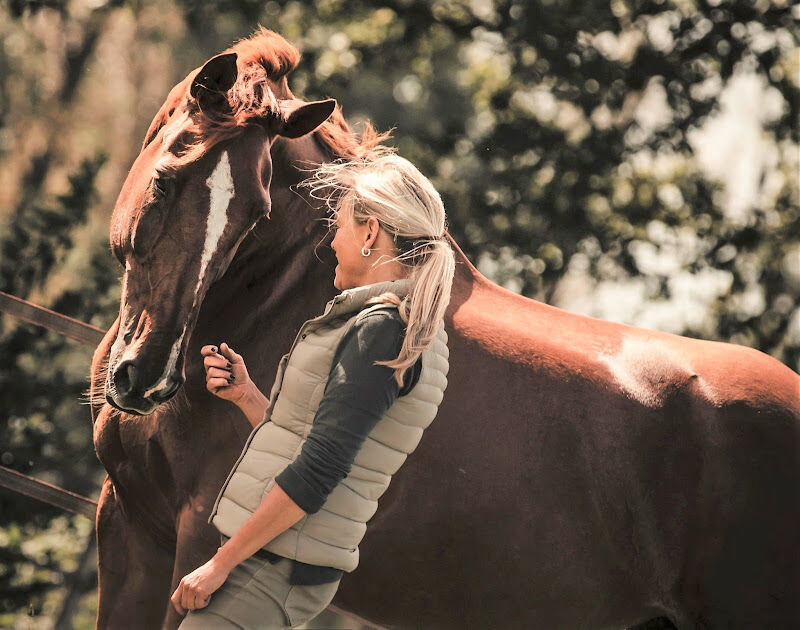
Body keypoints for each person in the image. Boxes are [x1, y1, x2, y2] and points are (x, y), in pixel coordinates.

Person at [173, 146, 455, 629]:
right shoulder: (408, 329)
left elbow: (321, 467)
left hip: (271, 566)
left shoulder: (382, 329)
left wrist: (220, 566)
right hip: (279, 559)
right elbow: (325, 444)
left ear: (371, 232)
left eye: (342, 226)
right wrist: (248, 396)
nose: (333, 242)